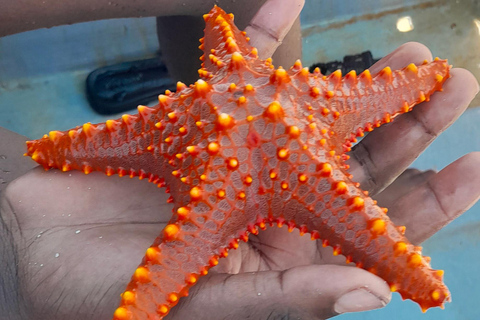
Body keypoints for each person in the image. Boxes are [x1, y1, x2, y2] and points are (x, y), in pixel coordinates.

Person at [1, 0, 479, 319]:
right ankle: (185, 76)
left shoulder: (183, 152)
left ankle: (184, 80)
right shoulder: (311, 125)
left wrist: (15, 239)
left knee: (229, 9)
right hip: (276, 109)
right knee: (226, 12)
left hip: (216, 108)